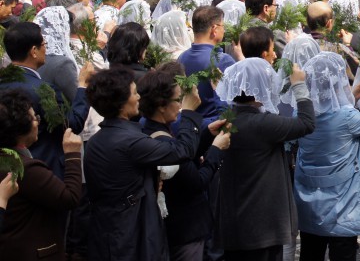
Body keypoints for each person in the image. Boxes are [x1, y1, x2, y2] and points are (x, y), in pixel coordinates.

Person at [84, 67, 207, 260]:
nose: (139, 98)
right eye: (134, 93)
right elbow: (182, 151)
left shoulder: (97, 140)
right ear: (121, 104)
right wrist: (189, 113)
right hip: (132, 232)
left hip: (107, 230)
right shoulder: (129, 141)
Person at [215, 57, 316, 261]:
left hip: (232, 223)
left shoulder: (226, 120)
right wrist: (298, 85)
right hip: (263, 227)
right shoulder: (263, 124)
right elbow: (307, 123)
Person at [294, 53, 360, 261]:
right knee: (343, 254)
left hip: (310, 201)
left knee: (310, 253)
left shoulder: (301, 116)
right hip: (343, 206)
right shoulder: (347, 118)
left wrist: (353, 96)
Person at [138, 68, 232, 261]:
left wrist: (207, 136)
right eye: (177, 100)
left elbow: (182, 160)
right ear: (161, 105)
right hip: (184, 230)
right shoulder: (162, 141)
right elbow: (196, 181)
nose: (180, 106)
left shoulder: (147, 128)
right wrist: (216, 150)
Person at [0, 88, 84, 259]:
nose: (38, 122)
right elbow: (70, 197)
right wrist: (72, 154)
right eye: (34, 118)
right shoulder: (25, 169)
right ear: (20, 129)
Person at [0, 21, 90, 178]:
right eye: (44, 44)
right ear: (34, 51)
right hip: (42, 169)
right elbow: (71, 125)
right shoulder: (42, 90)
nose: (46, 49)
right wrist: (83, 86)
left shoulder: (4, 82)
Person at [178, 6, 235, 122]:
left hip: (187, 122)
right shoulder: (223, 60)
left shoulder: (181, 57)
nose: (224, 30)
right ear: (214, 29)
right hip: (214, 125)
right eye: (223, 26)